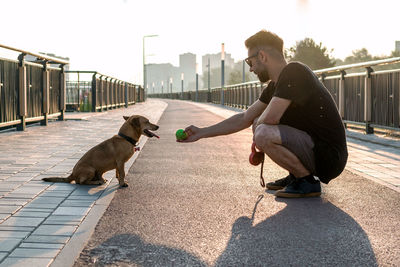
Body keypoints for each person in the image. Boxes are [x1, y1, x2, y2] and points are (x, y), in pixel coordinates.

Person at [178, 30, 348, 198]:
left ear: (262, 56)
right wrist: (201, 132)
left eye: (250, 62)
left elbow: (270, 119)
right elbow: (244, 118)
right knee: (259, 125)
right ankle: (296, 175)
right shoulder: (276, 85)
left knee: (263, 131)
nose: (251, 69)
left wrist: (257, 132)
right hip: (315, 149)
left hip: (329, 156)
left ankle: (306, 181)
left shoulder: (295, 72)